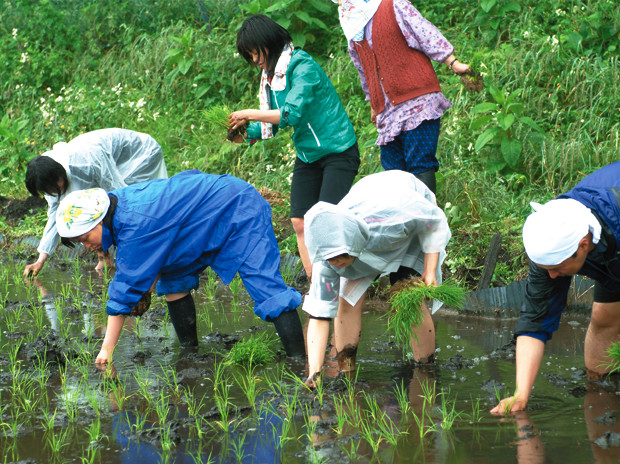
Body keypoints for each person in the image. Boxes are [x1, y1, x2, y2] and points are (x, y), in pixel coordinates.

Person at [54, 170, 306, 362]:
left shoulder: (135, 224)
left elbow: (124, 290)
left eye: (85, 239)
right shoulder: (115, 205)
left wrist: (106, 353)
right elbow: (148, 263)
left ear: (99, 221)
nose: (86, 246)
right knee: (172, 278)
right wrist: (146, 284)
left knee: (266, 287)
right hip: (192, 222)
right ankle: (190, 352)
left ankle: (299, 363)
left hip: (237, 206)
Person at [229, 14, 360, 279]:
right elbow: (270, 126)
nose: (255, 60)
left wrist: (251, 114)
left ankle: (348, 279)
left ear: (271, 42)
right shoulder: (270, 79)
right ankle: (318, 285)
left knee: (327, 221)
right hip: (308, 155)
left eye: (257, 52)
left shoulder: (302, 66)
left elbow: (290, 114)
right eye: (250, 56)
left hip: (338, 151)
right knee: (300, 221)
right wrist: (241, 134)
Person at [492, 161, 620, 414]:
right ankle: (602, 397)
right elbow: (535, 319)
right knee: (605, 318)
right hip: (609, 250)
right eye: (545, 268)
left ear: (583, 245)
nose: (552, 276)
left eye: (557, 268)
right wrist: (520, 395)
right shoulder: (554, 236)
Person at [302, 170, 451, 384]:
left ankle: (425, 369)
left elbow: (432, 222)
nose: (335, 264)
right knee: (345, 300)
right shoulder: (327, 254)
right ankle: (346, 371)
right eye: (330, 260)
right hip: (363, 215)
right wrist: (314, 373)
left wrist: (429, 270)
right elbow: (319, 314)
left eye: (340, 257)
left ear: (352, 245)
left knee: (408, 297)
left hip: (407, 224)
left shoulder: (393, 220)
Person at [332, 0, 470, 194]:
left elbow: (424, 33)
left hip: (417, 99)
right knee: (394, 174)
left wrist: (452, 62)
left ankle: (426, 223)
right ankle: (403, 223)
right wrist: (374, 103)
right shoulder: (352, 24)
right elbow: (363, 68)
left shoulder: (393, 5)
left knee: (419, 165)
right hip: (388, 109)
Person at [23, 128, 168, 276]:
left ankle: (154, 251)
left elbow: (114, 200)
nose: (53, 193)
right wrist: (40, 259)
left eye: (54, 189)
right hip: (116, 163)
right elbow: (57, 216)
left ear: (58, 175)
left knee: (141, 205)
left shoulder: (85, 164)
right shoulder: (48, 178)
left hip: (140, 154)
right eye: (48, 192)